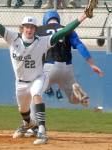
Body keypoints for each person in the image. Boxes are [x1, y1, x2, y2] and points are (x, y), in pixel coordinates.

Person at [0, 0, 98, 145]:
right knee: (23, 111)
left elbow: (65, 31)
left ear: (36, 29)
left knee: (37, 95)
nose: (29, 29)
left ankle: (41, 131)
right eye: (26, 27)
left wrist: (84, 15)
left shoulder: (42, 41)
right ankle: (28, 124)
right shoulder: (12, 37)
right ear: (22, 28)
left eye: (32, 27)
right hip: (21, 83)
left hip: (37, 78)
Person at [25, 9, 104, 137]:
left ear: (45, 19)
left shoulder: (39, 30)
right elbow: (79, 45)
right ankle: (78, 96)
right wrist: (92, 64)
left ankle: (33, 127)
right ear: (58, 19)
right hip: (67, 68)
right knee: (72, 100)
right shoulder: (67, 29)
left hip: (48, 67)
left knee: (34, 94)